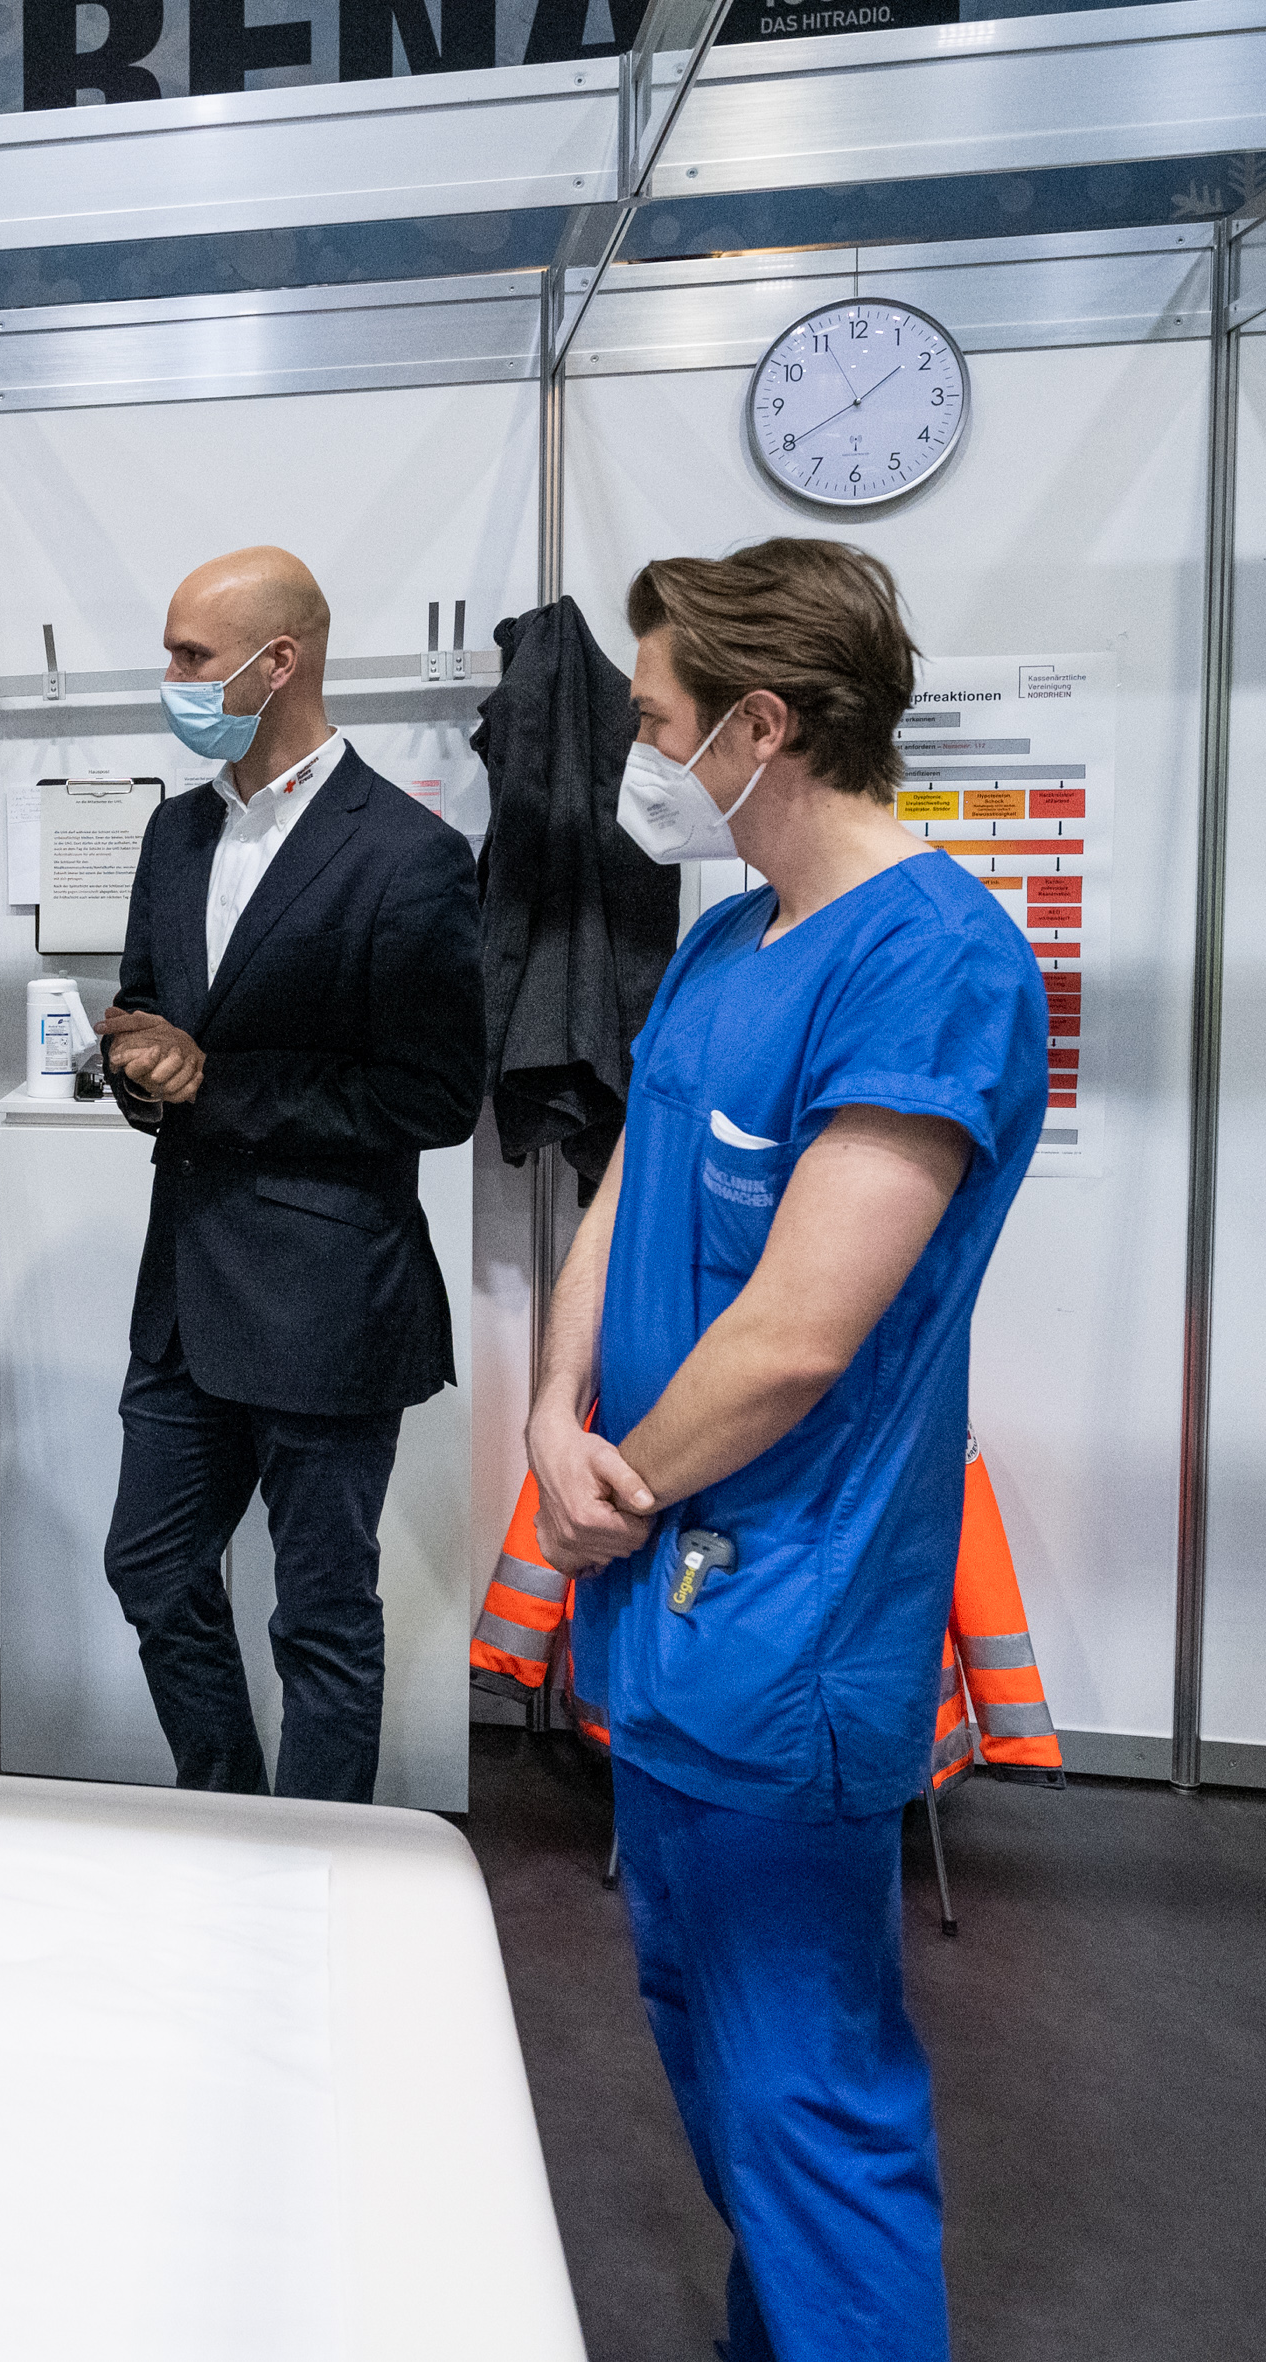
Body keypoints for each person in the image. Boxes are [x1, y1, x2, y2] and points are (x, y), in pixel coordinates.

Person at [532, 539, 1042, 2362]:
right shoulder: (723, 941)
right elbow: (623, 1189)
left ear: (758, 725)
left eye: (654, 720)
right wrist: (551, 1409)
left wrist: (616, 1489)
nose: (640, 755)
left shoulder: (931, 960)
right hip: (666, 1611)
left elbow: (800, 1331)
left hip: (785, 1625)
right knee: (709, 2047)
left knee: (806, 2097)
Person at [93, 546, 484, 1804]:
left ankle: (318, 1865)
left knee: (320, 1613)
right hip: (183, 1291)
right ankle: (225, 1810)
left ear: (280, 661)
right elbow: (151, 1013)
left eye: (191, 656)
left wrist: (218, 1085)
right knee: (151, 1567)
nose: (170, 677)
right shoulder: (176, 830)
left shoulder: (410, 855)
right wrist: (136, 1064)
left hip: (328, 1297)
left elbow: (434, 1098)